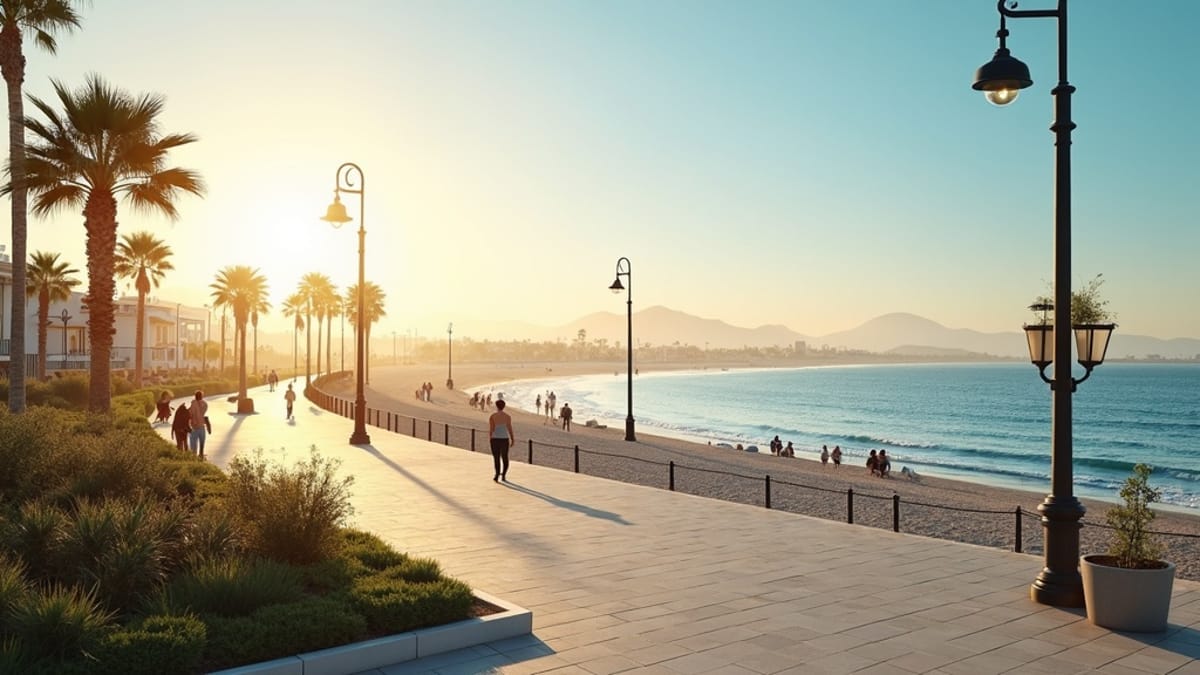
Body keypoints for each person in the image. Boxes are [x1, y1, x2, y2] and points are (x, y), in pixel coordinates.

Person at [488, 399, 516, 482]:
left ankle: (497, 474)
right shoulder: (507, 417)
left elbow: (491, 429)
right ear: (504, 407)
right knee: (505, 457)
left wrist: (490, 438)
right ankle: (503, 474)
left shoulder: (492, 416)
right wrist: (512, 438)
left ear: (497, 406)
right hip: (504, 439)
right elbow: (509, 428)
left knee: (496, 458)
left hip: (495, 439)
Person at [188, 390, 208, 457]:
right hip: (201, 426)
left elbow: (190, 413)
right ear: (202, 397)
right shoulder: (204, 404)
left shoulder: (193, 404)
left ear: (195, 396)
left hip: (194, 426)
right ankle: (201, 455)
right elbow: (203, 411)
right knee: (202, 442)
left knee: (193, 444)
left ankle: (194, 456)